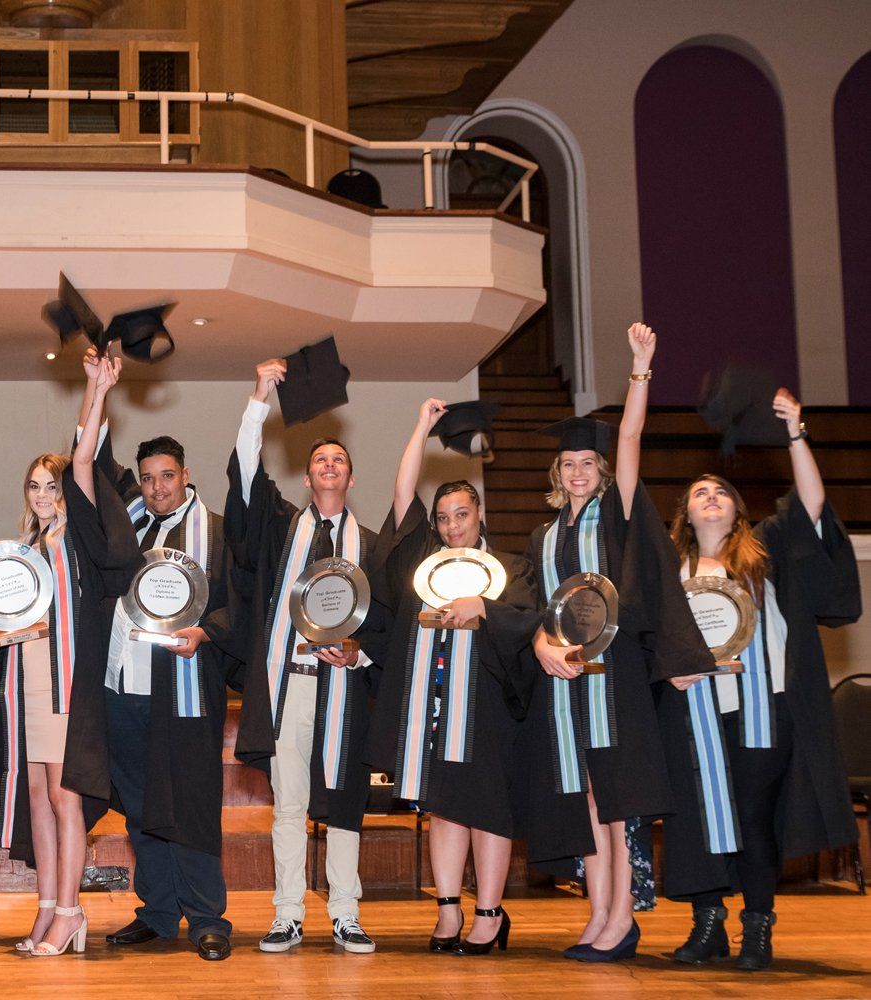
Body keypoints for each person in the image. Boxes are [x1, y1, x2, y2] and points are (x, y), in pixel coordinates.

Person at [516, 323, 713, 963]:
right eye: (568, 463)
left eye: (587, 463)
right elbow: (532, 605)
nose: (578, 471)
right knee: (585, 798)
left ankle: (623, 915)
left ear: (601, 471)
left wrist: (640, 367)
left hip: (614, 677)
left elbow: (630, 437)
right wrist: (543, 643)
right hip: (563, 683)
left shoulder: (617, 514)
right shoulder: (543, 538)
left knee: (618, 798)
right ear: (557, 471)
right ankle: (599, 910)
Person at [661, 388, 861, 971]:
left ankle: (757, 927)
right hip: (694, 709)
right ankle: (707, 926)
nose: (712, 497)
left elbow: (813, 505)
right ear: (686, 514)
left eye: (721, 491)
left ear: (737, 509)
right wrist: (671, 673)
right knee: (697, 821)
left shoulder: (765, 549)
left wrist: (795, 432)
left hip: (760, 708)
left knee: (752, 820)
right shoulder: (670, 571)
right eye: (700, 493)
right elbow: (652, 642)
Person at [68, 349, 242, 961]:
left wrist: (209, 634)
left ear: (186, 475)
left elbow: (237, 606)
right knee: (140, 809)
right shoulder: (127, 526)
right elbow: (87, 462)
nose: (157, 487)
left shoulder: (217, 533)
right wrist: (98, 391)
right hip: (123, 690)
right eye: (147, 478)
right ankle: (160, 911)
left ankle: (206, 915)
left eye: (166, 476)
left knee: (190, 805)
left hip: (185, 688)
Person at [365, 399, 540, 956]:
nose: (450, 525)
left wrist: (485, 608)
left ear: (479, 514)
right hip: (434, 708)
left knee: (487, 809)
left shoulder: (511, 568)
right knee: (441, 807)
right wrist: (420, 425)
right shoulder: (425, 561)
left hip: (488, 710)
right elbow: (401, 494)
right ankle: (447, 912)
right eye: (443, 517)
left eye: (460, 514)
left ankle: (489, 915)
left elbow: (527, 625)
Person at [224, 357, 383, 955]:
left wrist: (360, 652)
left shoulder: (371, 544)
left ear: (349, 475)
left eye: (338, 459)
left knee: (343, 803)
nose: (328, 465)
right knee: (288, 805)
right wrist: (259, 396)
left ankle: (345, 911)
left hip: (344, 688)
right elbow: (244, 475)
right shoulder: (282, 531)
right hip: (288, 686)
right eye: (320, 458)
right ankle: (288, 912)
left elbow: (387, 622)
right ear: (309, 474)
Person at [0, 450, 110, 957]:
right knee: (37, 796)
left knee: (66, 798)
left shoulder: (75, 542)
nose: (42, 496)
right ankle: (46, 905)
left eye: (51, 487)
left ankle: (70, 910)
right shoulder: (24, 545)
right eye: (34, 486)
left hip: (64, 680)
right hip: (27, 676)